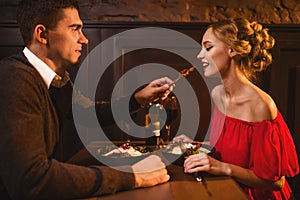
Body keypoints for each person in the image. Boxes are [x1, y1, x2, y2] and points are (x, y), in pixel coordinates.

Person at [0, 0, 171, 199]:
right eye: (75, 29)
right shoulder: (15, 80)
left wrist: (137, 100)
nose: (84, 39)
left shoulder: (56, 80)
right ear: (42, 34)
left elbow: (89, 114)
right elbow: (32, 179)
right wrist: (132, 176)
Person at [174, 18, 299, 199]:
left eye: (208, 48)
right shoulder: (218, 94)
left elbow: (276, 182)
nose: (200, 55)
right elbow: (232, 151)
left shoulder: (261, 105)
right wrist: (196, 146)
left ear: (232, 50)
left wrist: (219, 167)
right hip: (227, 189)